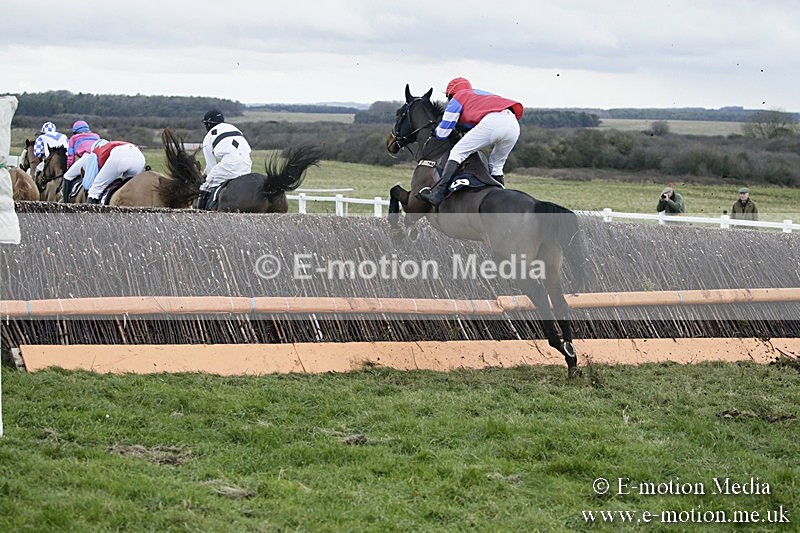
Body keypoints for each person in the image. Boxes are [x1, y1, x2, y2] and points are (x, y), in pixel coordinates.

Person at [416, 77, 523, 206]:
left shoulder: (458, 98)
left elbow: (443, 133)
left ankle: (438, 193)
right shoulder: (480, 95)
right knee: (496, 165)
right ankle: (501, 199)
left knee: (457, 152)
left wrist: (436, 131)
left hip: (493, 122)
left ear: (451, 94)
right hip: (513, 125)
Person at [196, 109, 252, 210]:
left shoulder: (208, 137)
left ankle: (198, 215)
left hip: (229, 165)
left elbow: (211, 166)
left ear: (208, 124)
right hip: (246, 165)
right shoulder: (234, 128)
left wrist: (206, 176)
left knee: (205, 187)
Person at [63, 138, 146, 204]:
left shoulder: (95, 152)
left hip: (119, 156)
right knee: (128, 187)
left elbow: (87, 184)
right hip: (139, 157)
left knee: (94, 190)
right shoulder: (112, 145)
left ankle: (91, 218)